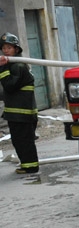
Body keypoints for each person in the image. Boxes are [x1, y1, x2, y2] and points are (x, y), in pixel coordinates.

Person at [0, 33, 39, 175]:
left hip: (21, 114)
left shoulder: (18, 66)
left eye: (9, 47)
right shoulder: (15, 65)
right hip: (18, 113)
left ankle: (31, 167)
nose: (5, 51)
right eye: (3, 48)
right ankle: (27, 165)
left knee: (24, 141)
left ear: (16, 49)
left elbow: (9, 86)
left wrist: (2, 69)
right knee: (20, 141)